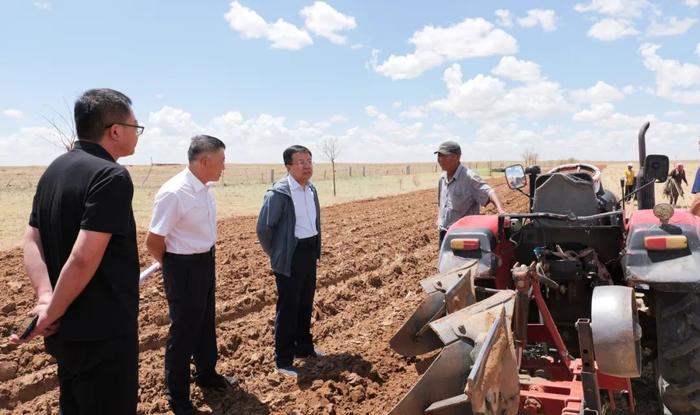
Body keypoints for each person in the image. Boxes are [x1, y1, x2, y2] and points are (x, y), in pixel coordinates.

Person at [10, 88, 142, 414]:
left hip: (66, 334)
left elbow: (31, 239)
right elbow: (83, 257)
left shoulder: (54, 170)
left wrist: (46, 299)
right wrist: (50, 311)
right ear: (115, 130)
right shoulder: (111, 176)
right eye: (135, 127)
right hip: (103, 334)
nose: (137, 135)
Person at [145, 135, 233, 414]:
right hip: (182, 267)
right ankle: (178, 395)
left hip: (205, 261)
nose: (224, 167)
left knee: (206, 321)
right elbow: (153, 240)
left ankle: (206, 374)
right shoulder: (175, 192)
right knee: (183, 332)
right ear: (204, 161)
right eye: (221, 161)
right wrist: (171, 266)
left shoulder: (205, 188)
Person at [256, 145, 323, 378]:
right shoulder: (278, 194)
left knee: (305, 302)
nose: (307, 166)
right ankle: (283, 360)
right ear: (288, 167)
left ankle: (304, 350)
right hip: (290, 255)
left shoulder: (311, 189)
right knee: (288, 308)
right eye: (301, 162)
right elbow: (264, 229)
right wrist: (277, 255)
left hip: (308, 251)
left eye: (309, 161)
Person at [435, 140, 505, 249]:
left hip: (463, 235)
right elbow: (441, 204)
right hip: (444, 233)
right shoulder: (442, 178)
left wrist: (501, 211)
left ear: (457, 157)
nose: (440, 159)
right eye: (439, 156)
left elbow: (489, 192)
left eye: (444, 156)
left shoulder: (469, 177)